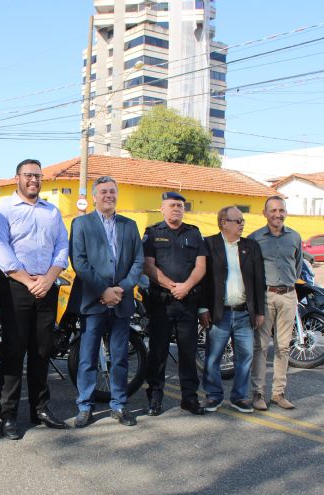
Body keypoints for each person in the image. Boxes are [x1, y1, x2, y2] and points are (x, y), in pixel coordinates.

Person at [0, 159, 70, 440]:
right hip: (15, 287)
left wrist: (48, 278)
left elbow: (62, 246)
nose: (34, 180)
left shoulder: (52, 212)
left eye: (38, 175)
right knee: (13, 351)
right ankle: (8, 414)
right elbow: (1, 251)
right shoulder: (2, 210)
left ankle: (40, 409)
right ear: (17, 178)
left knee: (41, 350)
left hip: (47, 285)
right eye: (28, 175)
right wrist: (27, 280)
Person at [69, 176, 144, 428]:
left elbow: (137, 262)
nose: (108, 195)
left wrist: (121, 289)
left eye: (112, 191)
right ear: (94, 196)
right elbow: (79, 262)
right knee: (88, 357)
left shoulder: (130, 225)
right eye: (103, 192)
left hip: (121, 302)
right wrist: (103, 289)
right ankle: (85, 406)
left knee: (120, 357)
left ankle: (119, 405)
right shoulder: (80, 224)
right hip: (93, 301)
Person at [143, 191, 207, 416]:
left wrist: (186, 287)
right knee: (158, 352)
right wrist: (172, 286)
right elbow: (148, 266)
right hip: (162, 302)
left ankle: (189, 398)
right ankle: (155, 399)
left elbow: (201, 266)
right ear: (162, 208)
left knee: (188, 353)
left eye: (180, 205)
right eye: (172, 205)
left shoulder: (194, 233)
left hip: (188, 302)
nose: (176, 209)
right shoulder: (152, 233)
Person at [199, 206, 266, 413]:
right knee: (213, 357)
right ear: (223, 222)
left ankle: (239, 397)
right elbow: (202, 280)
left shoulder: (251, 246)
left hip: (244, 312)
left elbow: (258, 280)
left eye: (242, 221)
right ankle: (214, 395)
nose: (241, 225)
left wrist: (259, 311)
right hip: (220, 312)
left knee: (244, 357)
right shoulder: (209, 244)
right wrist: (202, 308)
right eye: (238, 221)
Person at [249, 196, 302, 410]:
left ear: (285, 212)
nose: (277, 214)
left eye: (281, 210)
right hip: (265, 296)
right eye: (273, 210)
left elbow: (297, 266)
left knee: (284, 347)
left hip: (288, 295)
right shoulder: (255, 239)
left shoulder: (295, 237)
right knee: (260, 346)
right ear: (265, 213)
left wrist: (288, 285)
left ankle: (278, 393)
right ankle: (258, 394)